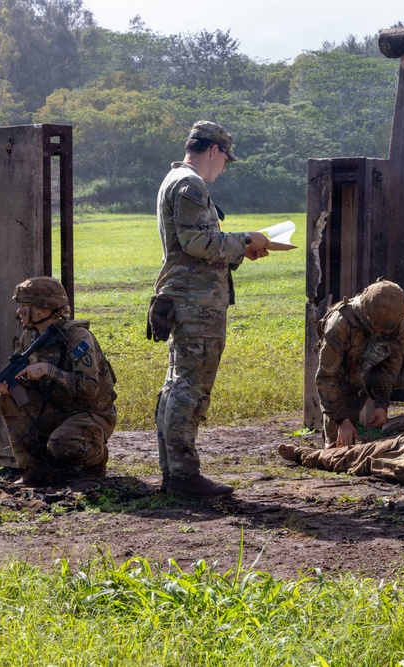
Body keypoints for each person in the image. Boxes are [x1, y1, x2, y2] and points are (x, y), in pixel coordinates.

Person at [150, 120, 270, 499]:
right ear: (214, 151)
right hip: (195, 302)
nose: (223, 168)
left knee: (177, 384)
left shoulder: (178, 181)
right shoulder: (189, 184)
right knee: (190, 386)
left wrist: (239, 249)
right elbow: (197, 241)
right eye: (225, 160)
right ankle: (183, 475)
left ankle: (175, 472)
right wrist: (246, 240)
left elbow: (196, 244)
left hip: (188, 297)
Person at [0, 276, 117, 486]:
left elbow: (89, 389)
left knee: (61, 443)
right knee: (8, 398)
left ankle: (96, 458)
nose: (19, 312)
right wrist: (13, 386)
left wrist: (50, 370)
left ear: (44, 309)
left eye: (26, 306)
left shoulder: (78, 338)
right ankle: (34, 469)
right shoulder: (29, 338)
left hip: (91, 412)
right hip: (56, 408)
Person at [315, 279, 404, 448]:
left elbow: (390, 368)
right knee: (337, 449)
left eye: (386, 329)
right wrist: (341, 420)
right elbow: (326, 377)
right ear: (366, 313)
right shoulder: (340, 323)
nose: (382, 332)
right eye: (378, 327)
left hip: (376, 372)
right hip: (345, 379)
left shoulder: (400, 326)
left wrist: (382, 405)